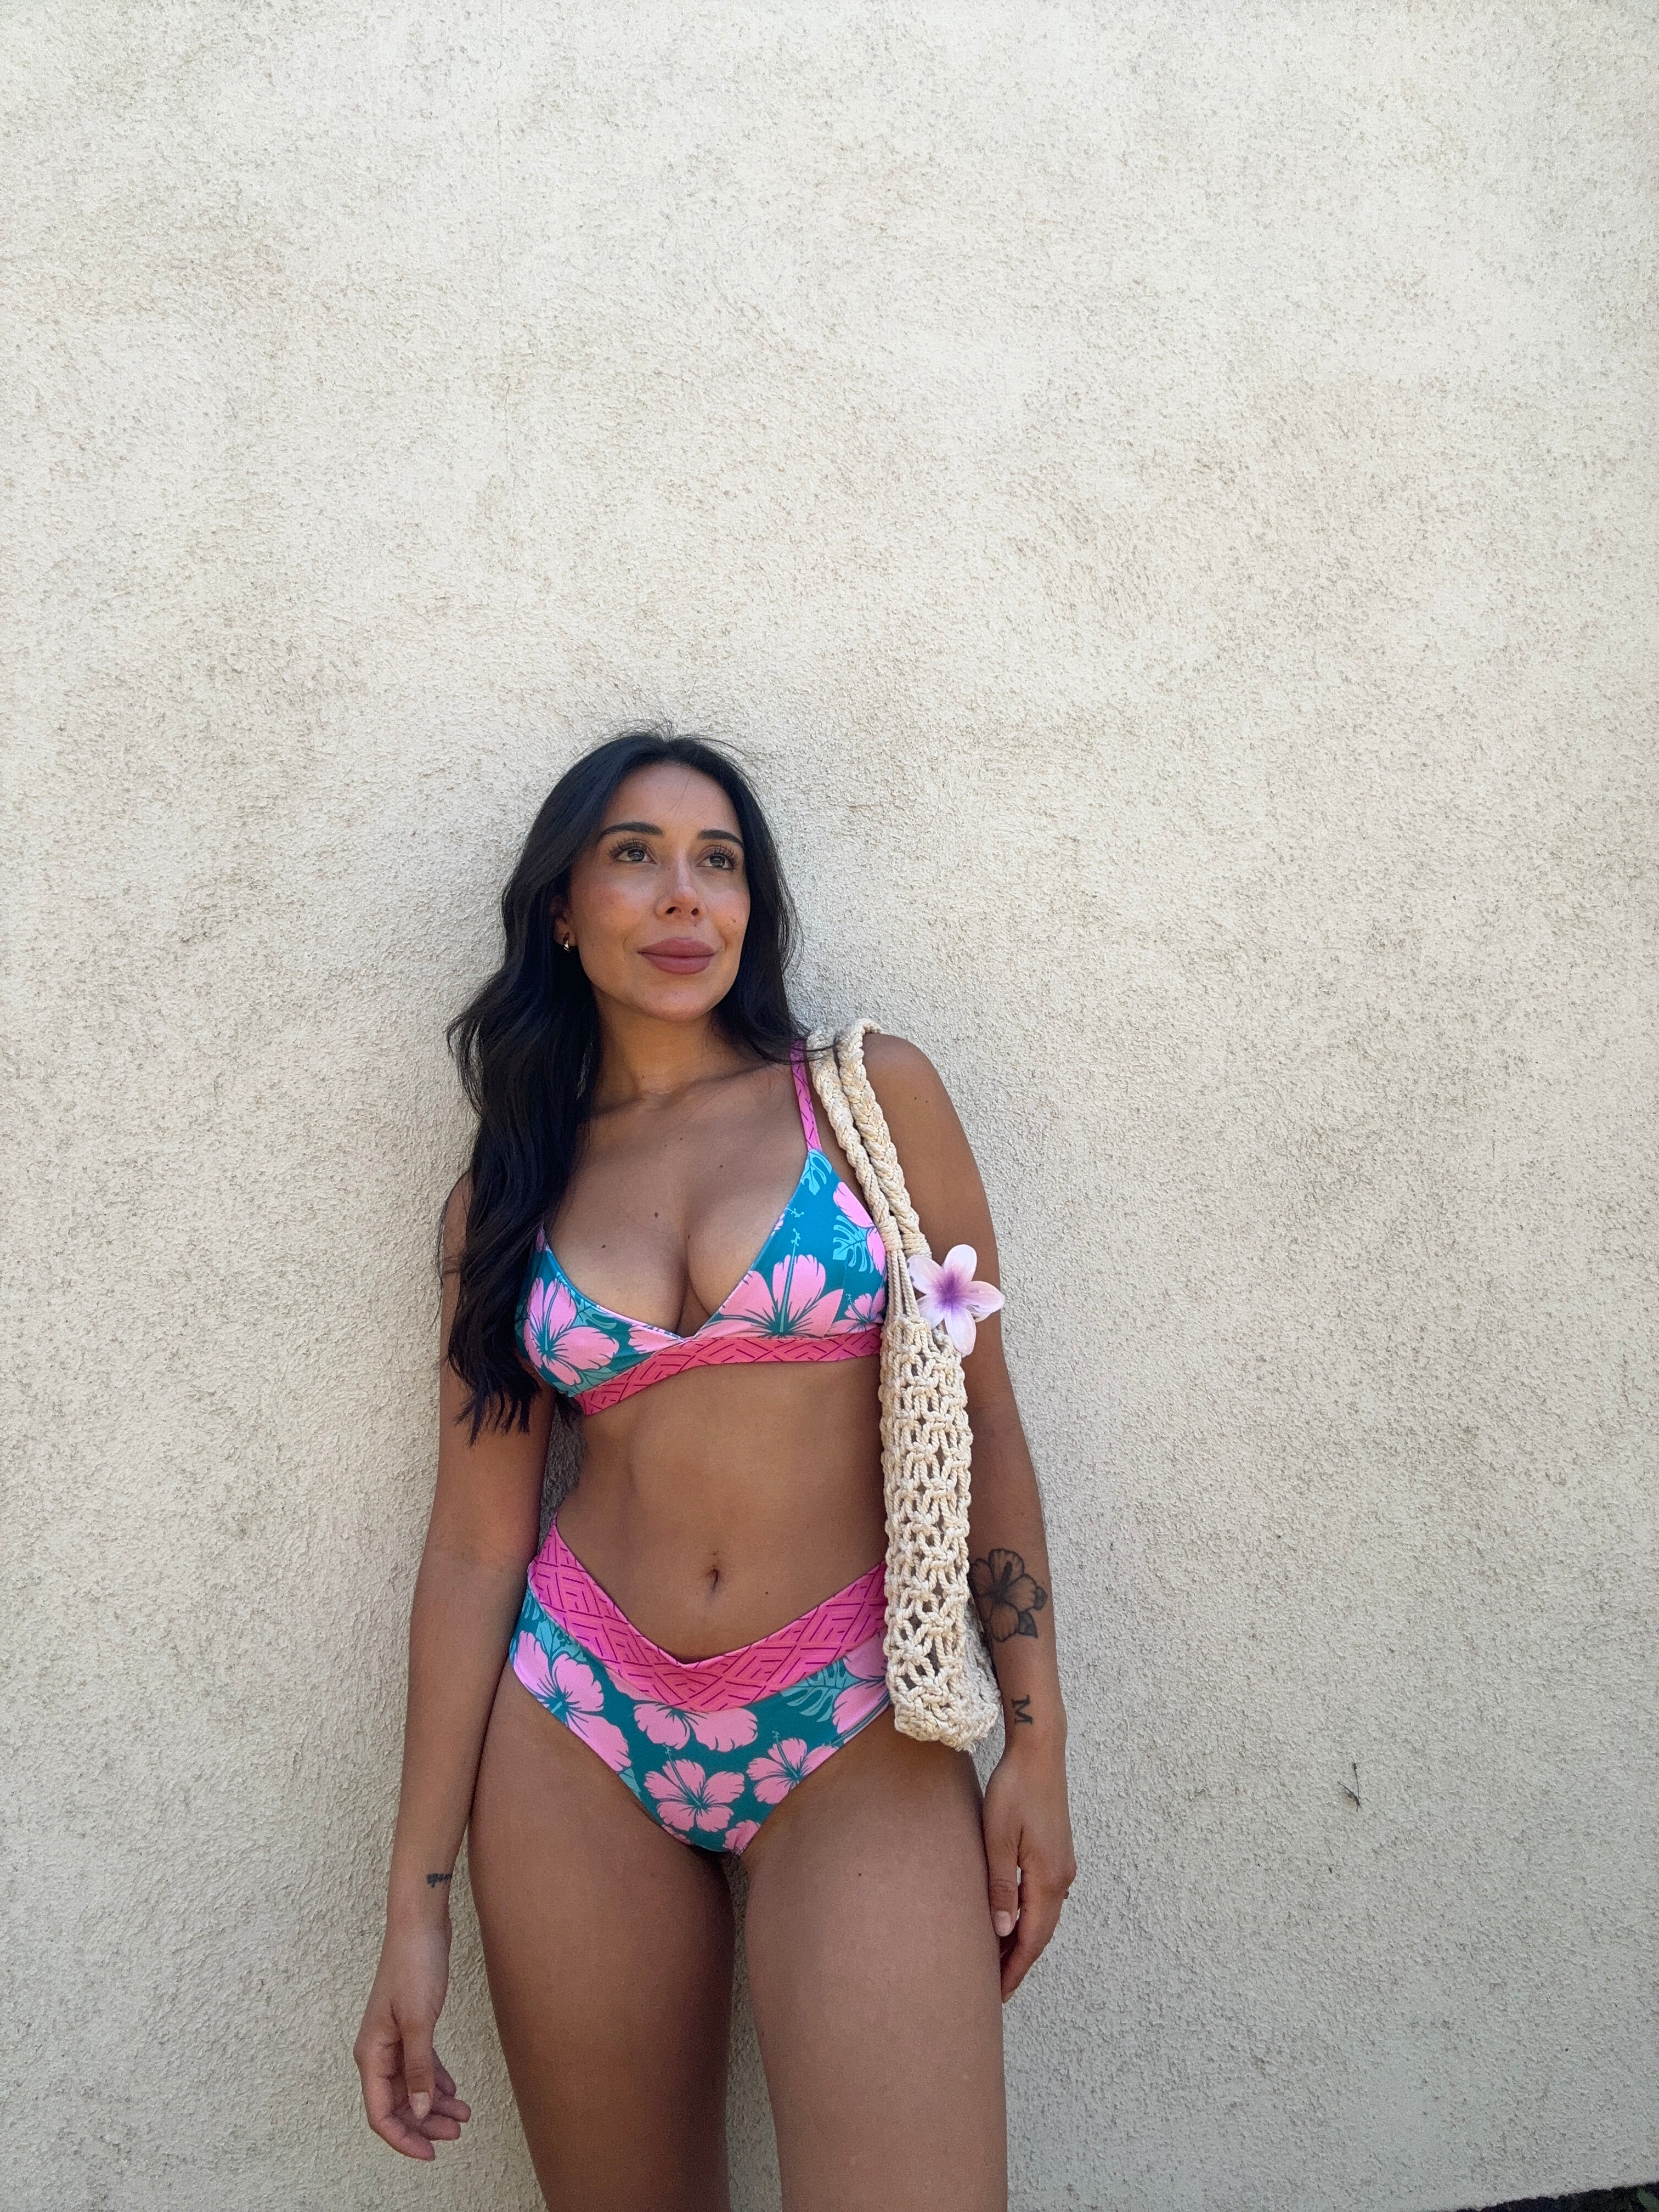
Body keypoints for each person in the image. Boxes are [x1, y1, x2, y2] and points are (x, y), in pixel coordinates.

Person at [352, 729, 1076, 2210]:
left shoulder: (869, 1104)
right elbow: (476, 1544)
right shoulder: (511, 1191)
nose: (685, 895)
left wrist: (1036, 1743)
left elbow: (985, 1424)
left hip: (858, 1721)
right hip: (579, 1725)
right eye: (635, 856)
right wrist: (415, 1904)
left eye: (719, 861)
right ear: (564, 911)